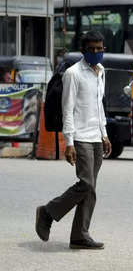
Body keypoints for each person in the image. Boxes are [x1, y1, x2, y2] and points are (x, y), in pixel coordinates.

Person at [35, 31, 111, 249]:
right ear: (83, 50)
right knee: (85, 183)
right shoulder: (73, 73)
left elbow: (99, 106)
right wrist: (68, 142)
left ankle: (79, 235)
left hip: (96, 135)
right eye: (91, 49)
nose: (96, 53)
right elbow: (67, 110)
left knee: (91, 188)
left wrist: (104, 134)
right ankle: (48, 212)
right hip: (79, 136)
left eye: (99, 48)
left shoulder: (101, 71)